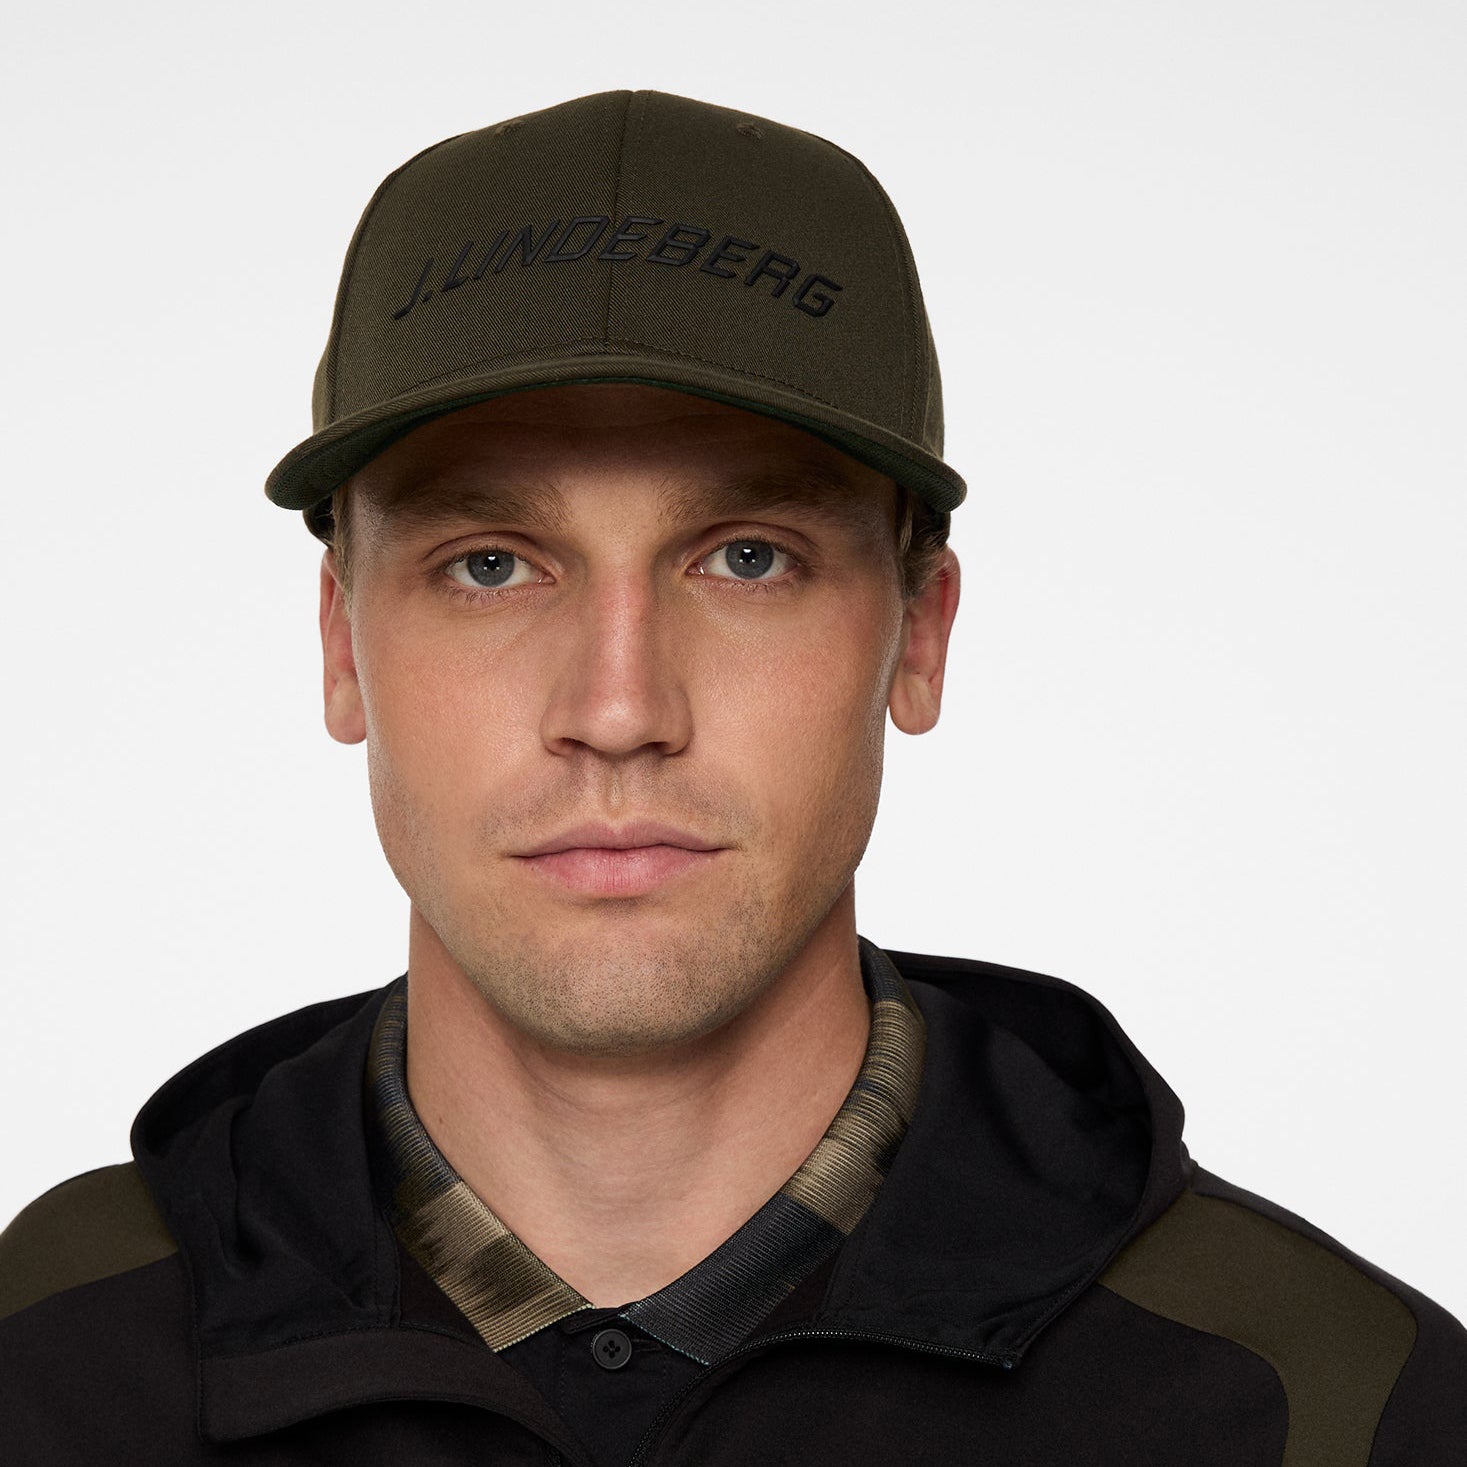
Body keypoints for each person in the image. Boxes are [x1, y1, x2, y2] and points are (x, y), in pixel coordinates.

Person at [0, 87, 1461, 1465]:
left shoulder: (1337, 1407)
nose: (618, 709)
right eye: (490, 565)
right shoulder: (42, 1372)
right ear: (341, 645)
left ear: (919, 636)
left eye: (748, 558)